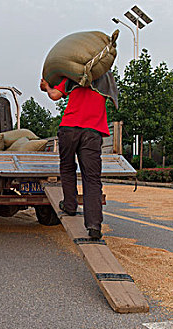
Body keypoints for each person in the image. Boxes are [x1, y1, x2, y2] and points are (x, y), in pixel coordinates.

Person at [40, 72, 118, 239]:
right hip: (92, 132)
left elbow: (54, 95)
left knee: (67, 169)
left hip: (68, 129)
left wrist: (46, 86)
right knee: (92, 179)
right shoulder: (105, 78)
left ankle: (69, 205)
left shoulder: (72, 75)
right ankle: (94, 226)